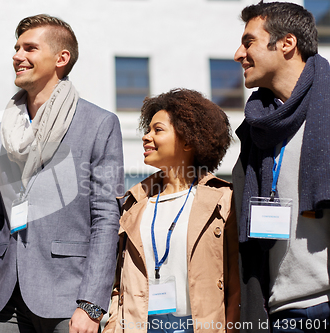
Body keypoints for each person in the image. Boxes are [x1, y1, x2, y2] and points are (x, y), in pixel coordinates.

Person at [0, 14, 124, 333]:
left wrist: (91, 305)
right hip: (5, 294)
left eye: (29, 48)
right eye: (16, 48)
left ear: (61, 58)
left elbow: (106, 218)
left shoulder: (99, 124)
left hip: (67, 296)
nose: (17, 56)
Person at [103, 89, 240, 333]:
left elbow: (234, 282)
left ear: (188, 140)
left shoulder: (222, 200)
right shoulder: (134, 203)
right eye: (148, 130)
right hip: (142, 326)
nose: (146, 137)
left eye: (158, 130)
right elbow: (119, 282)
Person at [233, 1, 330, 332]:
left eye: (249, 42)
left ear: (287, 43)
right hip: (279, 314)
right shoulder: (255, 133)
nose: (238, 54)